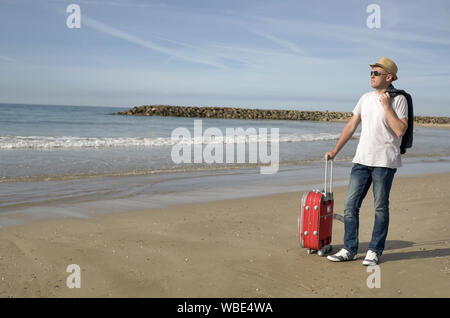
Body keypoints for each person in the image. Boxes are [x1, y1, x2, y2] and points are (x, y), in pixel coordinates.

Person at [325, 57, 408, 265]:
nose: (371, 76)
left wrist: (387, 106)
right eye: (371, 73)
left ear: (388, 77)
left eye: (376, 73)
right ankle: (349, 249)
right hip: (361, 160)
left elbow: (400, 130)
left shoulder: (399, 100)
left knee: (380, 207)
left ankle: (374, 250)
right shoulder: (365, 98)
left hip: (384, 162)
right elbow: (351, 126)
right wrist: (335, 150)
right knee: (350, 206)